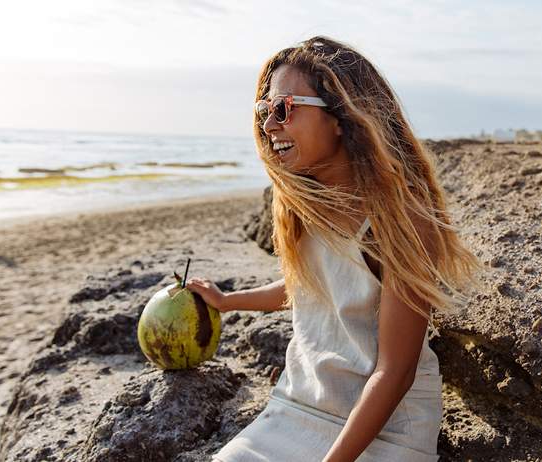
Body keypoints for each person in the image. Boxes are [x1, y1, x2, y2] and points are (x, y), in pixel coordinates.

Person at [186, 36, 481, 462]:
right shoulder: (307, 207)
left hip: (387, 427)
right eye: (265, 111)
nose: (270, 126)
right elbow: (309, 287)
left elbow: (395, 371)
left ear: (341, 117)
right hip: (299, 406)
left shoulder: (400, 221)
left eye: (284, 108)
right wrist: (227, 302)